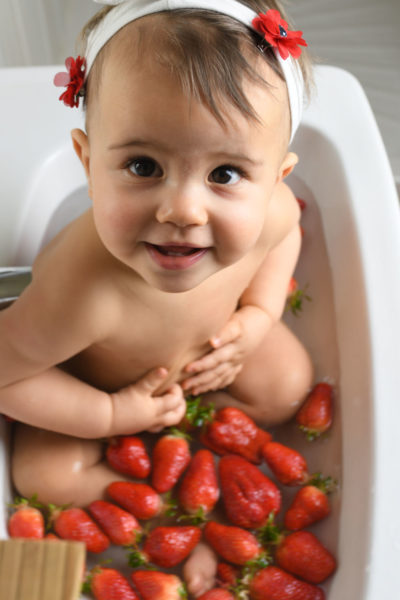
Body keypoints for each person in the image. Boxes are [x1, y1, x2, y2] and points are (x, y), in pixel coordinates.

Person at [0, 0, 313, 593]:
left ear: (278, 178)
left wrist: (259, 312)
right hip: (96, 385)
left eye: (224, 174)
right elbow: (5, 372)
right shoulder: (82, 290)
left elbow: (287, 231)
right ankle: (174, 514)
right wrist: (111, 415)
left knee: (289, 384)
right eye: (143, 165)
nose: (182, 211)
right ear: (88, 164)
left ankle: (211, 456)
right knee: (46, 474)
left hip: (202, 357)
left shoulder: (270, 212)